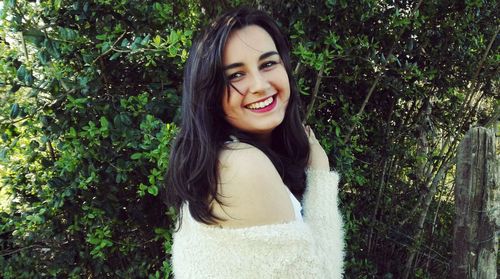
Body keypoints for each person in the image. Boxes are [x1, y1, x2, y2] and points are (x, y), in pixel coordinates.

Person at [164, 7, 344, 278]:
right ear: (209, 93)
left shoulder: (222, 158)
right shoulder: (241, 165)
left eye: (268, 63)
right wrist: (320, 175)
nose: (259, 84)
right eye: (235, 75)